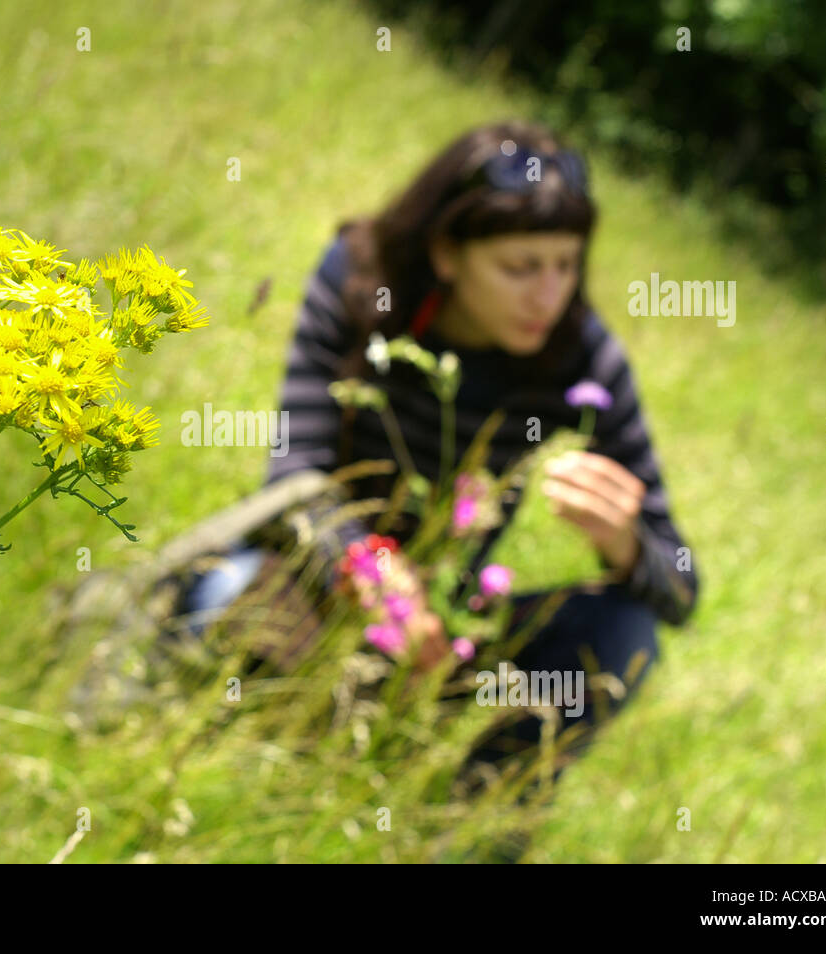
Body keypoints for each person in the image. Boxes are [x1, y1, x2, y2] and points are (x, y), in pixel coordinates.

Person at [181, 120, 700, 811]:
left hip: (444, 637)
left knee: (624, 635)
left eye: (566, 265)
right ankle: (226, 767)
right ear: (447, 253)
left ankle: (466, 828)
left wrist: (628, 542)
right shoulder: (363, 282)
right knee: (221, 594)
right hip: (314, 584)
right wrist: (369, 567)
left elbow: (683, 589)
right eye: (520, 269)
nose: (549, 296)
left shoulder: (580, 355)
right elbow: (294, 472)